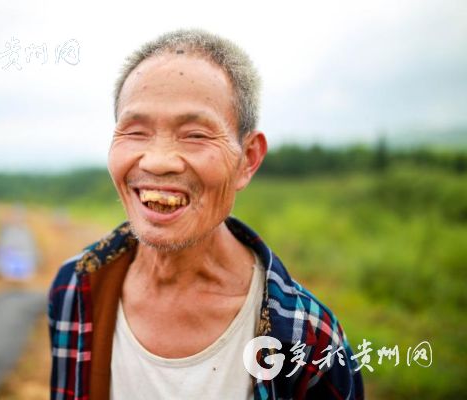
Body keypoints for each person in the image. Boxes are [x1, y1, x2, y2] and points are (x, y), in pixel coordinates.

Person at [48, 29, 364, 400]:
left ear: (248, 159)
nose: (158, 160)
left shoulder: (309, 337)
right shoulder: (75, 289)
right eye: (135, 131)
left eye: (195, 135)